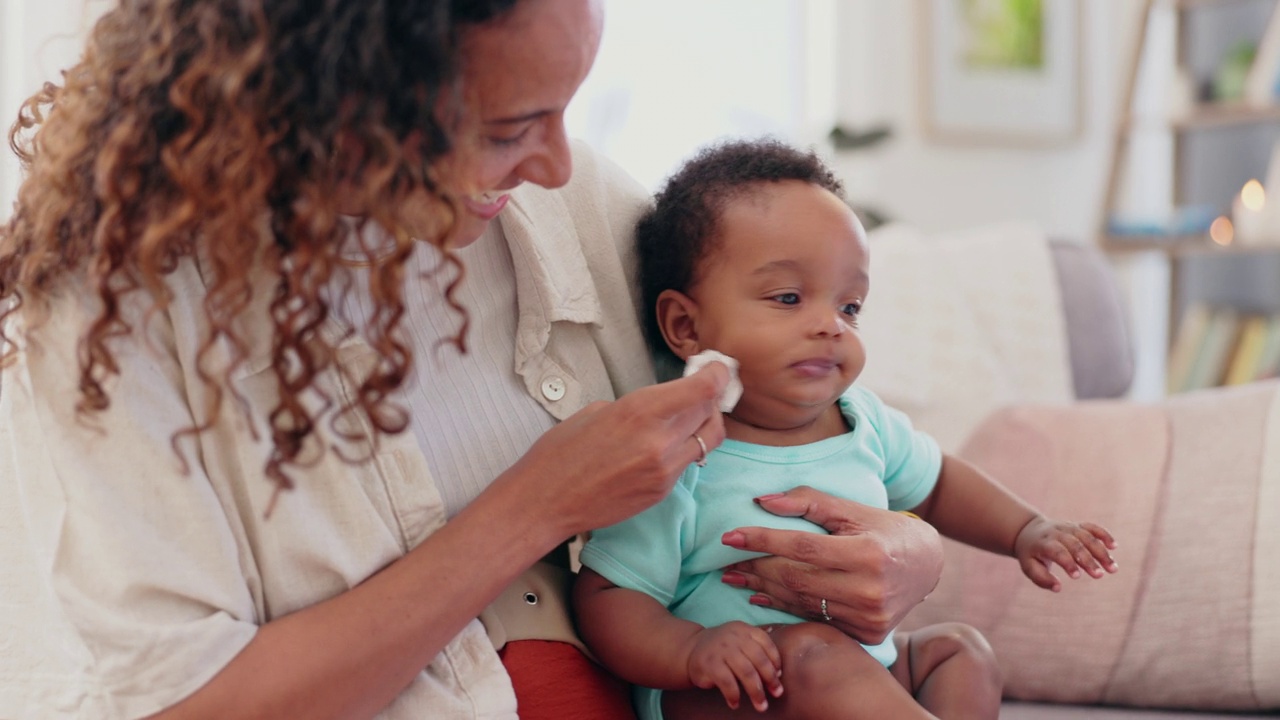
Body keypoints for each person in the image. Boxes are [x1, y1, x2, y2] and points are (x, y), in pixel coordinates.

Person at [0, 2, 946, 718]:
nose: (558, 166)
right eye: (505, 129)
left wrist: (910, 552)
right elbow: (180, 705)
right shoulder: (111, 315)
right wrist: (540, 501)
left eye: (563, 111)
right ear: (328, 103)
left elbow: (820, 433)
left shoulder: (562, 217)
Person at [573, 139, 1121, 720]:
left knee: (959, 651)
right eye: (788, 297)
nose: (830, 326)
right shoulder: (678, 449)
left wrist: (1027, 530)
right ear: (685, 325)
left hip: (860, 670)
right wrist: (691, 650)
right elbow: (608, 596)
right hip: (725, 691)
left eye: (851, 306)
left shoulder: (864, 420)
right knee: (816, 653)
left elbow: (936, 484)